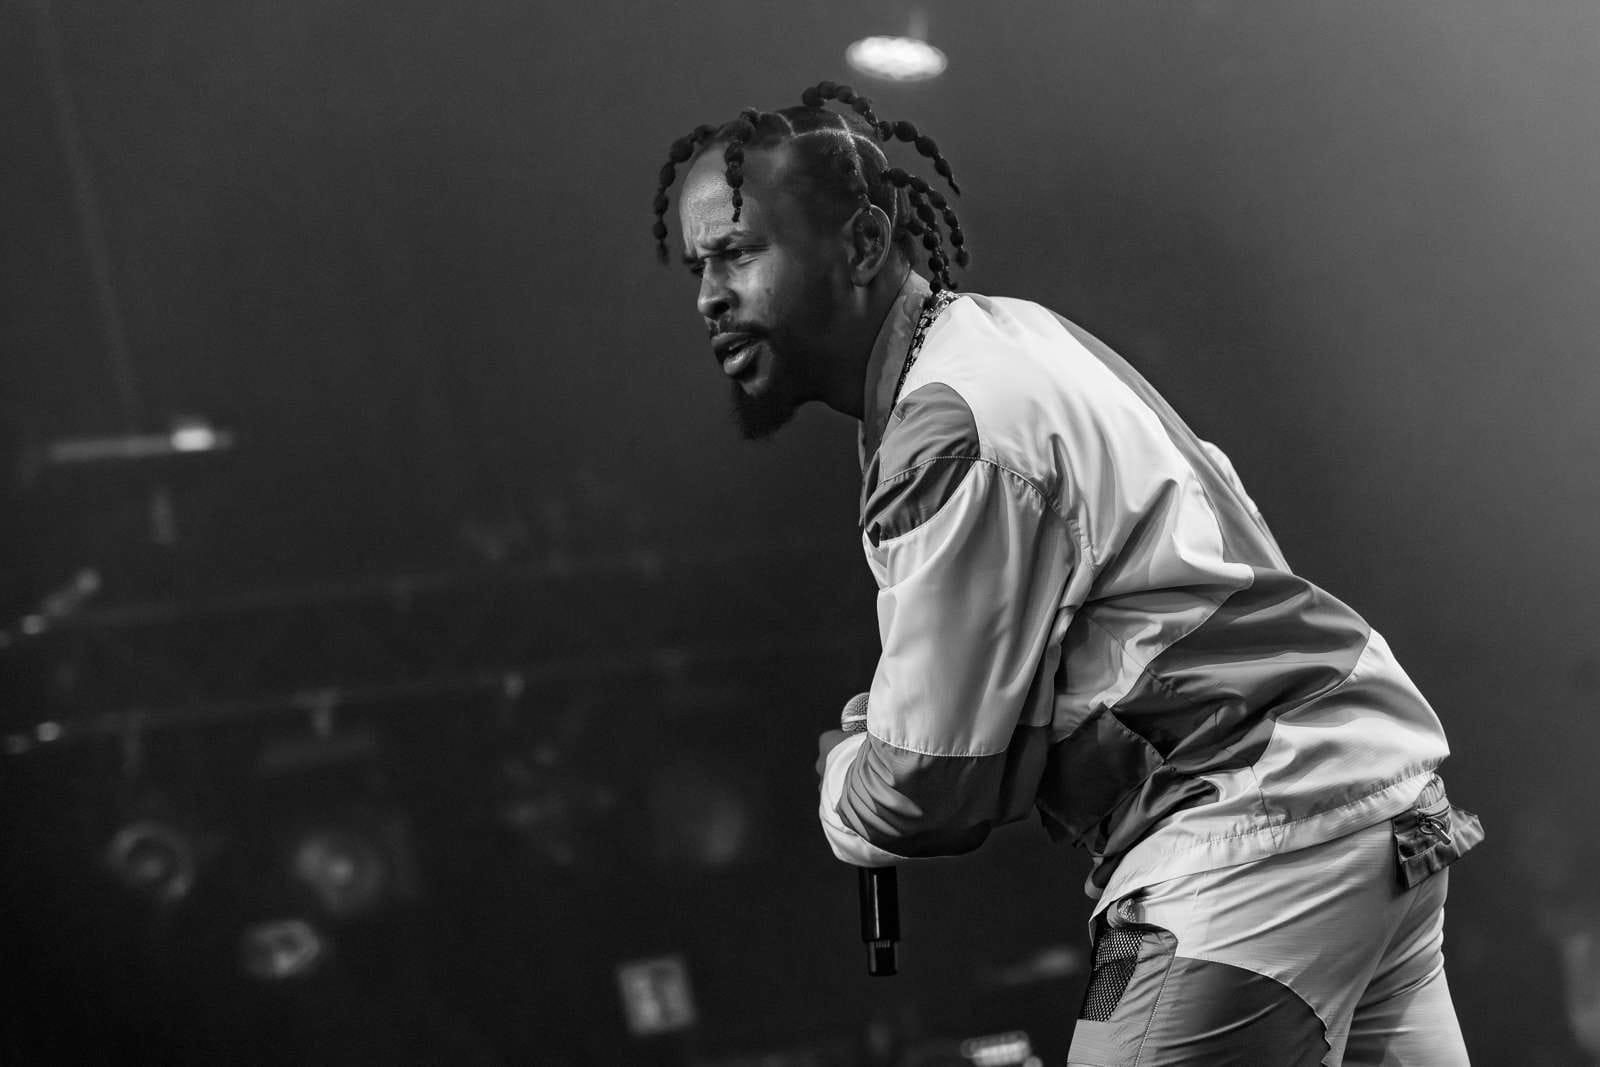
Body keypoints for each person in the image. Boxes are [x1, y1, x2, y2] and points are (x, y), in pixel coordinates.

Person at [651, 81, 1483, 1065]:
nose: (708, 296)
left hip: (1252, 836)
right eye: (699, 265)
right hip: (1374, 808)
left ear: (864, 244)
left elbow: (931, 785)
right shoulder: (1010, 337)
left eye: (740, 253)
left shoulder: (944, 427)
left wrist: (846, 774)